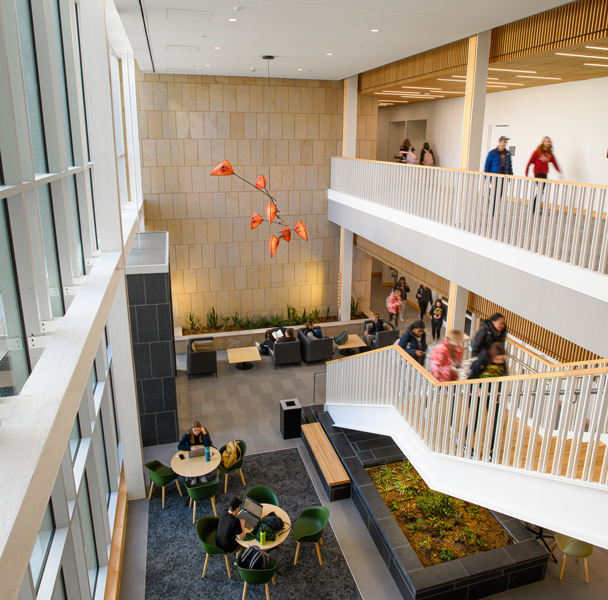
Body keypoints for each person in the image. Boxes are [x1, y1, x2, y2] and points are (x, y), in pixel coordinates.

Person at [467, 343, 508, 458]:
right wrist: (478, 389)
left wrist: (498, 395)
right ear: (492, 356)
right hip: (478, 394)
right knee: (476, 421)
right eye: (499, 359)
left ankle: (490, 450)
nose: (501, 362)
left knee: (499, 423)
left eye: (502, 359)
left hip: (493, 394)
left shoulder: (502, 365)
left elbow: (502, 379)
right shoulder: (480, 363)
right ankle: (467, 445)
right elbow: (470, 379)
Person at [525, 136, 561, 212]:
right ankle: (535, 208)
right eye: (546, 141)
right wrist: (526, 172)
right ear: (543, 142)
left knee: (541, 191)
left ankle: (535, 207)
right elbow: (530, 162)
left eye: (549, 141)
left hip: (544, 173)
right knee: (540, 190)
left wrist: (559, 172)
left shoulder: (550, 154)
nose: (548, 143)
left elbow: (555, 163)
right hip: (537, 173)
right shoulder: (537, 152)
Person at [484, 136, 512, 215]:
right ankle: (491, 209)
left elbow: (509, 165)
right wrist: (486, 176)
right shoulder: (493, 153)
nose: (504, 143)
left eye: (505, 142)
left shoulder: (507, 153)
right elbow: (487, 164)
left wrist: (510, 175)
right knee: (494, 193)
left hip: (503, 177)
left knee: (499, 193)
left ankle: (494, 208)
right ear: (499, 142)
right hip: (494, 177)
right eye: (503, 141)